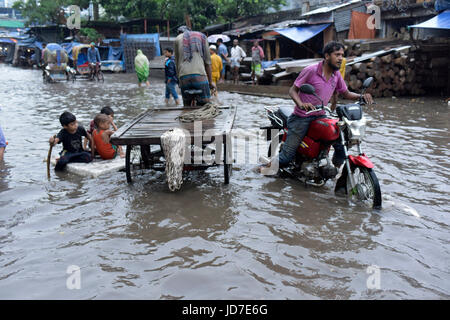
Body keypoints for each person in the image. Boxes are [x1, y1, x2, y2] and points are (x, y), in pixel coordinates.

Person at [259, 41, 373, 174]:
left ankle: (334, 169)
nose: (341, 58)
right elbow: (292, 90)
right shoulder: (311, 70)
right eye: (337, 55)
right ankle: (262, 170)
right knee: (286, 157)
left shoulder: (336, 75)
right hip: (301, 117)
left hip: (321, 115)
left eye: (342, 55)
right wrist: (301, 104)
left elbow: (345, 93)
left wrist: (361, 96)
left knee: (340, 139)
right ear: (327, 56)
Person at [174, 26, 215, 106]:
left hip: (184, 77)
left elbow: (177, 63)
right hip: (200, 76)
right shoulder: (202, 37)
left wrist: (179, 81)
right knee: (206, 105)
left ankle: (186, 107)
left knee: (186, 104)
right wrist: (210, 82)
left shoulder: (177, 39)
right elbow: (208, 63)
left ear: (180, 33)